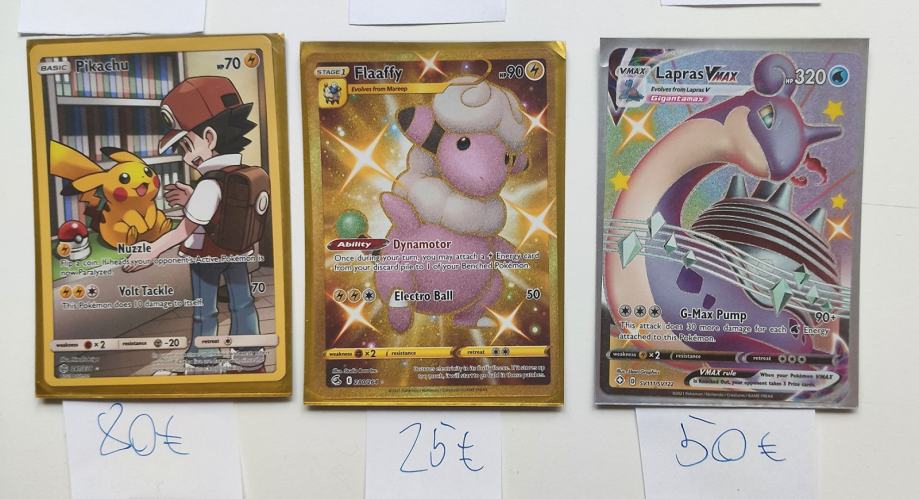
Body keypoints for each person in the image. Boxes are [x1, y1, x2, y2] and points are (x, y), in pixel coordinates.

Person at [124, 76, 264, 372]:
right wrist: (191, 198)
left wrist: (151, 252)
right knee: (242, 302)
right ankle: (249, 354)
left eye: (187, 146)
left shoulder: (209, 184)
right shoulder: (241, 171)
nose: (187, 158)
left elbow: (185, 229)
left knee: (205, 309)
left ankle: (203, 360)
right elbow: (225, 210)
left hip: (206, 255)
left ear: (210, 138)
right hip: (237, 251)